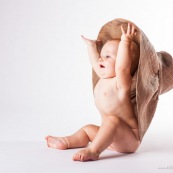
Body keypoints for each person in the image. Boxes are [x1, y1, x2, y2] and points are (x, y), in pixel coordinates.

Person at [45, 23, 141, 161]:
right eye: (102, 56)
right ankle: (67, 141)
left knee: (112, 121)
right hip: (109, 138)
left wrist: (126, 41)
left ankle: (93, 150)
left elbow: (122, 68)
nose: (101, 59)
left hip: (128, 139)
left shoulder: (121, 83)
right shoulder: (103, 77)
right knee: (88, 129)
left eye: (108, 56)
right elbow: (95, 62)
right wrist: (91, 46)